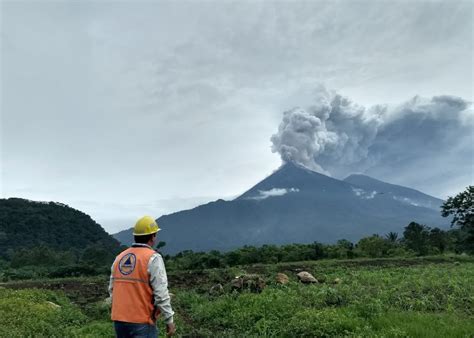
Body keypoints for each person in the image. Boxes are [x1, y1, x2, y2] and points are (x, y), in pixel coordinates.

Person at [109, 216, 176, 337]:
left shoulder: (119, 258)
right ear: (153, 236)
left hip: (119, 320)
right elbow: (161, 293)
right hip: (141, 321)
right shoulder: (153, 258)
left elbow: (112, 289)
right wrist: (169, 320)